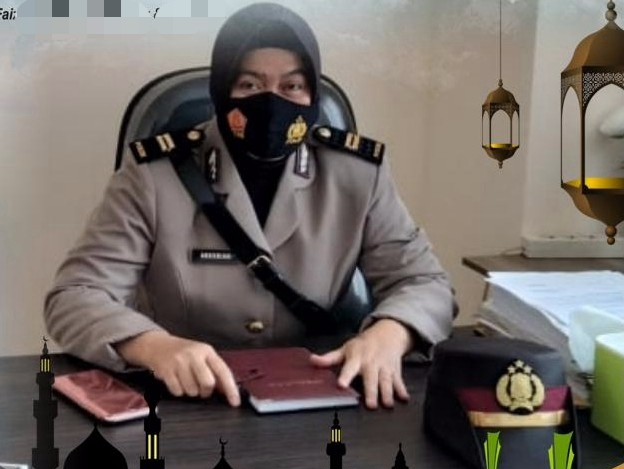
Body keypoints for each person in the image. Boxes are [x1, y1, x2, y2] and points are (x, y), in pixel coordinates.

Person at [44, 2, 456, 410]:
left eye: (292, 86)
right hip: (190, 398)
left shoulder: (356, 174)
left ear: (311, 95)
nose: (271, 103)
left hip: (318, 391)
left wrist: (391, 333)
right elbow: (75, 295)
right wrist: (153, 347)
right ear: (220, 91)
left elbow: (425, 283)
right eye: (250, 85)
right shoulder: (154, 174)